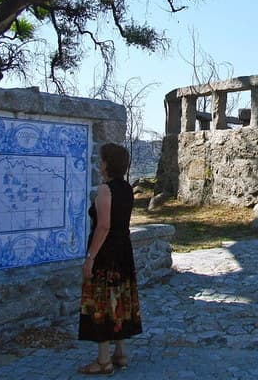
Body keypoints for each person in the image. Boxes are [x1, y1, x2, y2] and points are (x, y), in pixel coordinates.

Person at [77, 143, 142, 375]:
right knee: (120, 300)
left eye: (102, 159)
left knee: (102, 303)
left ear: (107, 163)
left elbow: (103, 227)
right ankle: (120, 353)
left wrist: (90, 257)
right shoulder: (127, 188)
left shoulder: (106, 190)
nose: (99, 162)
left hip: (106, 254)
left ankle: (103, 360)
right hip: (124, 251)